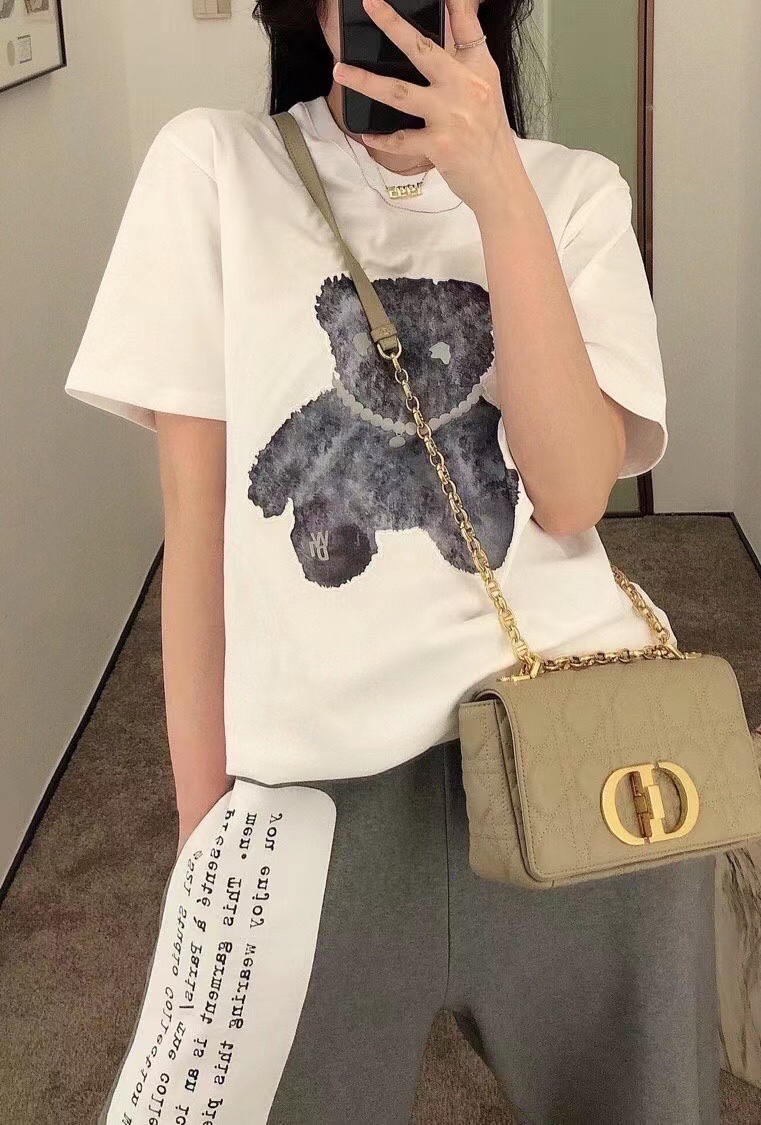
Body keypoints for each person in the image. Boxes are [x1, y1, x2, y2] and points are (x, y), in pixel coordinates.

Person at [64, 1, 720, 1122]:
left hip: (576, 739)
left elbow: (569, 494)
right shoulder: (212, 169)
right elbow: (199, 525)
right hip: (313, 795)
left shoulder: (575, 191)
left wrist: (497, 185)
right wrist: (201, 836)